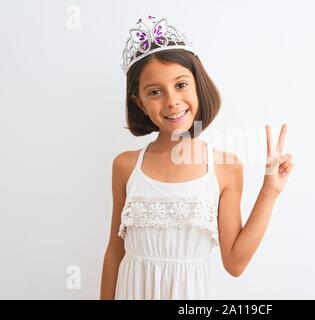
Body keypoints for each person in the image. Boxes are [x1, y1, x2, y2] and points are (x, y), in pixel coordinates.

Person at [100, 14, 294, 300]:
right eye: (155, 92)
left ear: (198, 86)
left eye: (180, 85)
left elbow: (235, 263)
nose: (171, 101)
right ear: (140, 103)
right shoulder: (126, 165)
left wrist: (270, 190)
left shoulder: (225, 168)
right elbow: (115, 252)